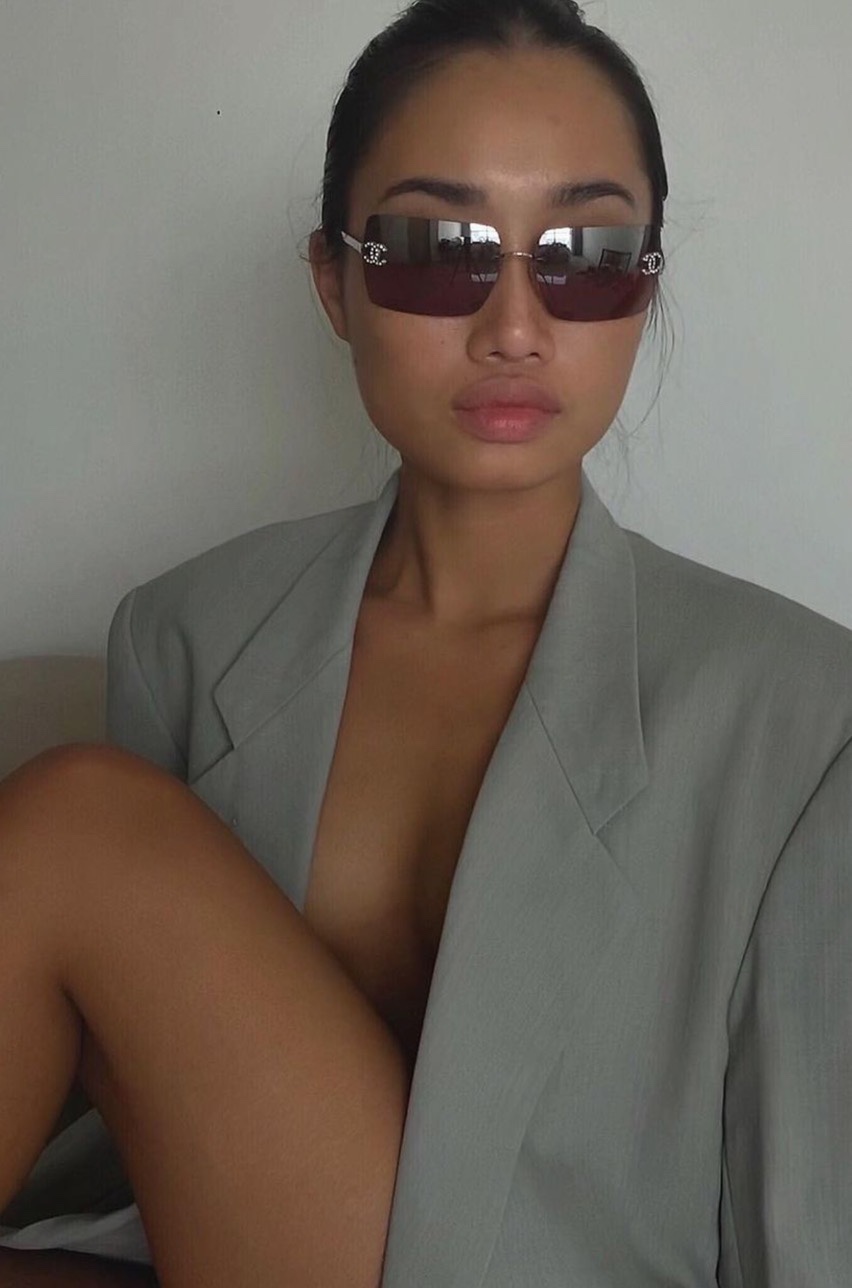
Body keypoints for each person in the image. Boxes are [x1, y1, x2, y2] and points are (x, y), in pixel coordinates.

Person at [1, 0, 850, 1284]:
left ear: (645, 287)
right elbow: (148, 1127)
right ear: (332, 284)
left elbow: (810, 1226)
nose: (514, 326)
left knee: (75, 818)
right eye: (434, 248)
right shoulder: (188, 635)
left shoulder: (807, 715)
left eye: (586, 255)